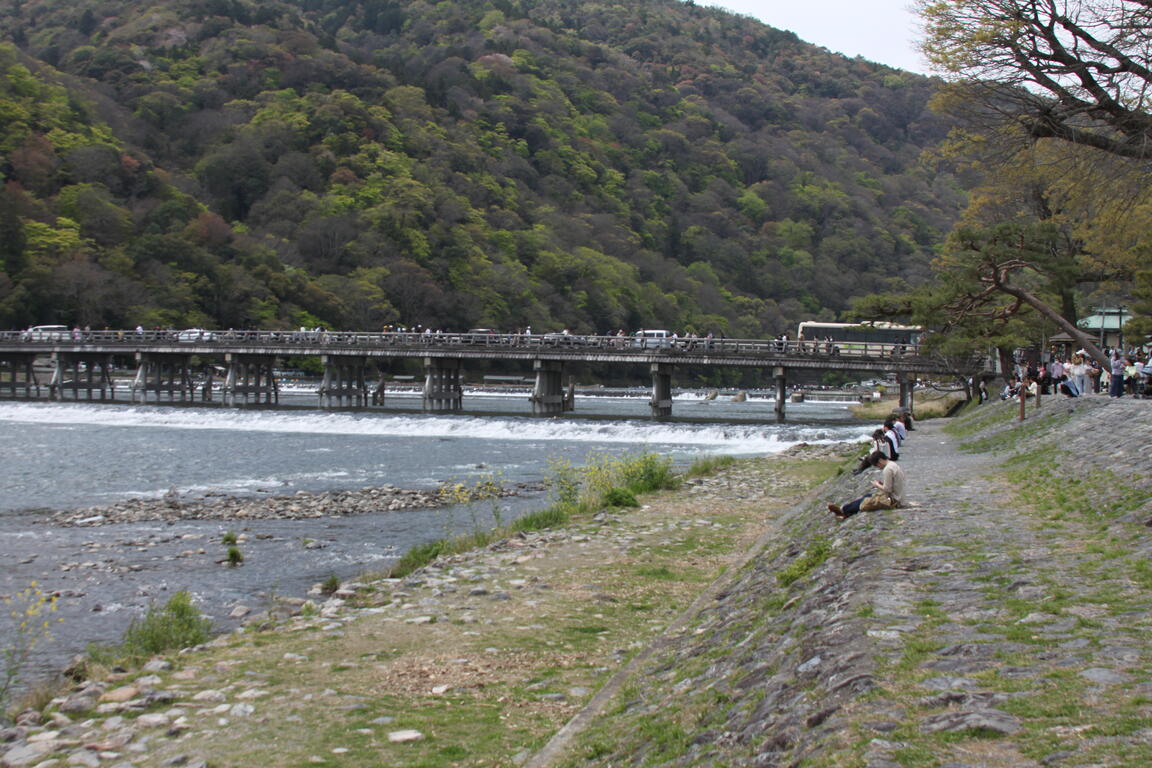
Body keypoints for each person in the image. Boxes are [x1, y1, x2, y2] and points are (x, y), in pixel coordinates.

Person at [828, 452, 906, 520]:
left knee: (866, 502)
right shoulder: (893, 464)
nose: (879, 467)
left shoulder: (887, 469)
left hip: (893, 500)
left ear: (880, 461)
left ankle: (843, 511)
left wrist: (877, 485)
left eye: (877, 465)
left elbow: (887, 489)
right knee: (868, 495)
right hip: (898, 496)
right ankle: (845, 510)